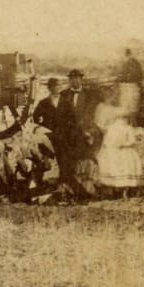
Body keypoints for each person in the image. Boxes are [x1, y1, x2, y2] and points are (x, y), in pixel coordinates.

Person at [54, 69, 93, 198]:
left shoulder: (88, 94)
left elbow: (90, 112)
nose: (75, 80)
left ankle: (82, 188)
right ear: (69, 80)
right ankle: (67, 189)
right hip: (67, 133)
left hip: (83, 131)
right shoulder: (63, 94)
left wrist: (85, 127)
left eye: (77, 78)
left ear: (81, 79)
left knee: (81, 159)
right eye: (72, 78)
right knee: (66, 160)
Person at [117, 47, 144, 118]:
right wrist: (119, 79)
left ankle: (132, 119)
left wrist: (122, 79)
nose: (125, 57)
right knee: (125, 103)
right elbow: (122, 75)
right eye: (125, 55)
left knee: (131, 106)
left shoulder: (134, 63)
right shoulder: (125, 63)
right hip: (127, 86)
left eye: (126, 55)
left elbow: (137, 75)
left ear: (129, 54)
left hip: (132, 86)